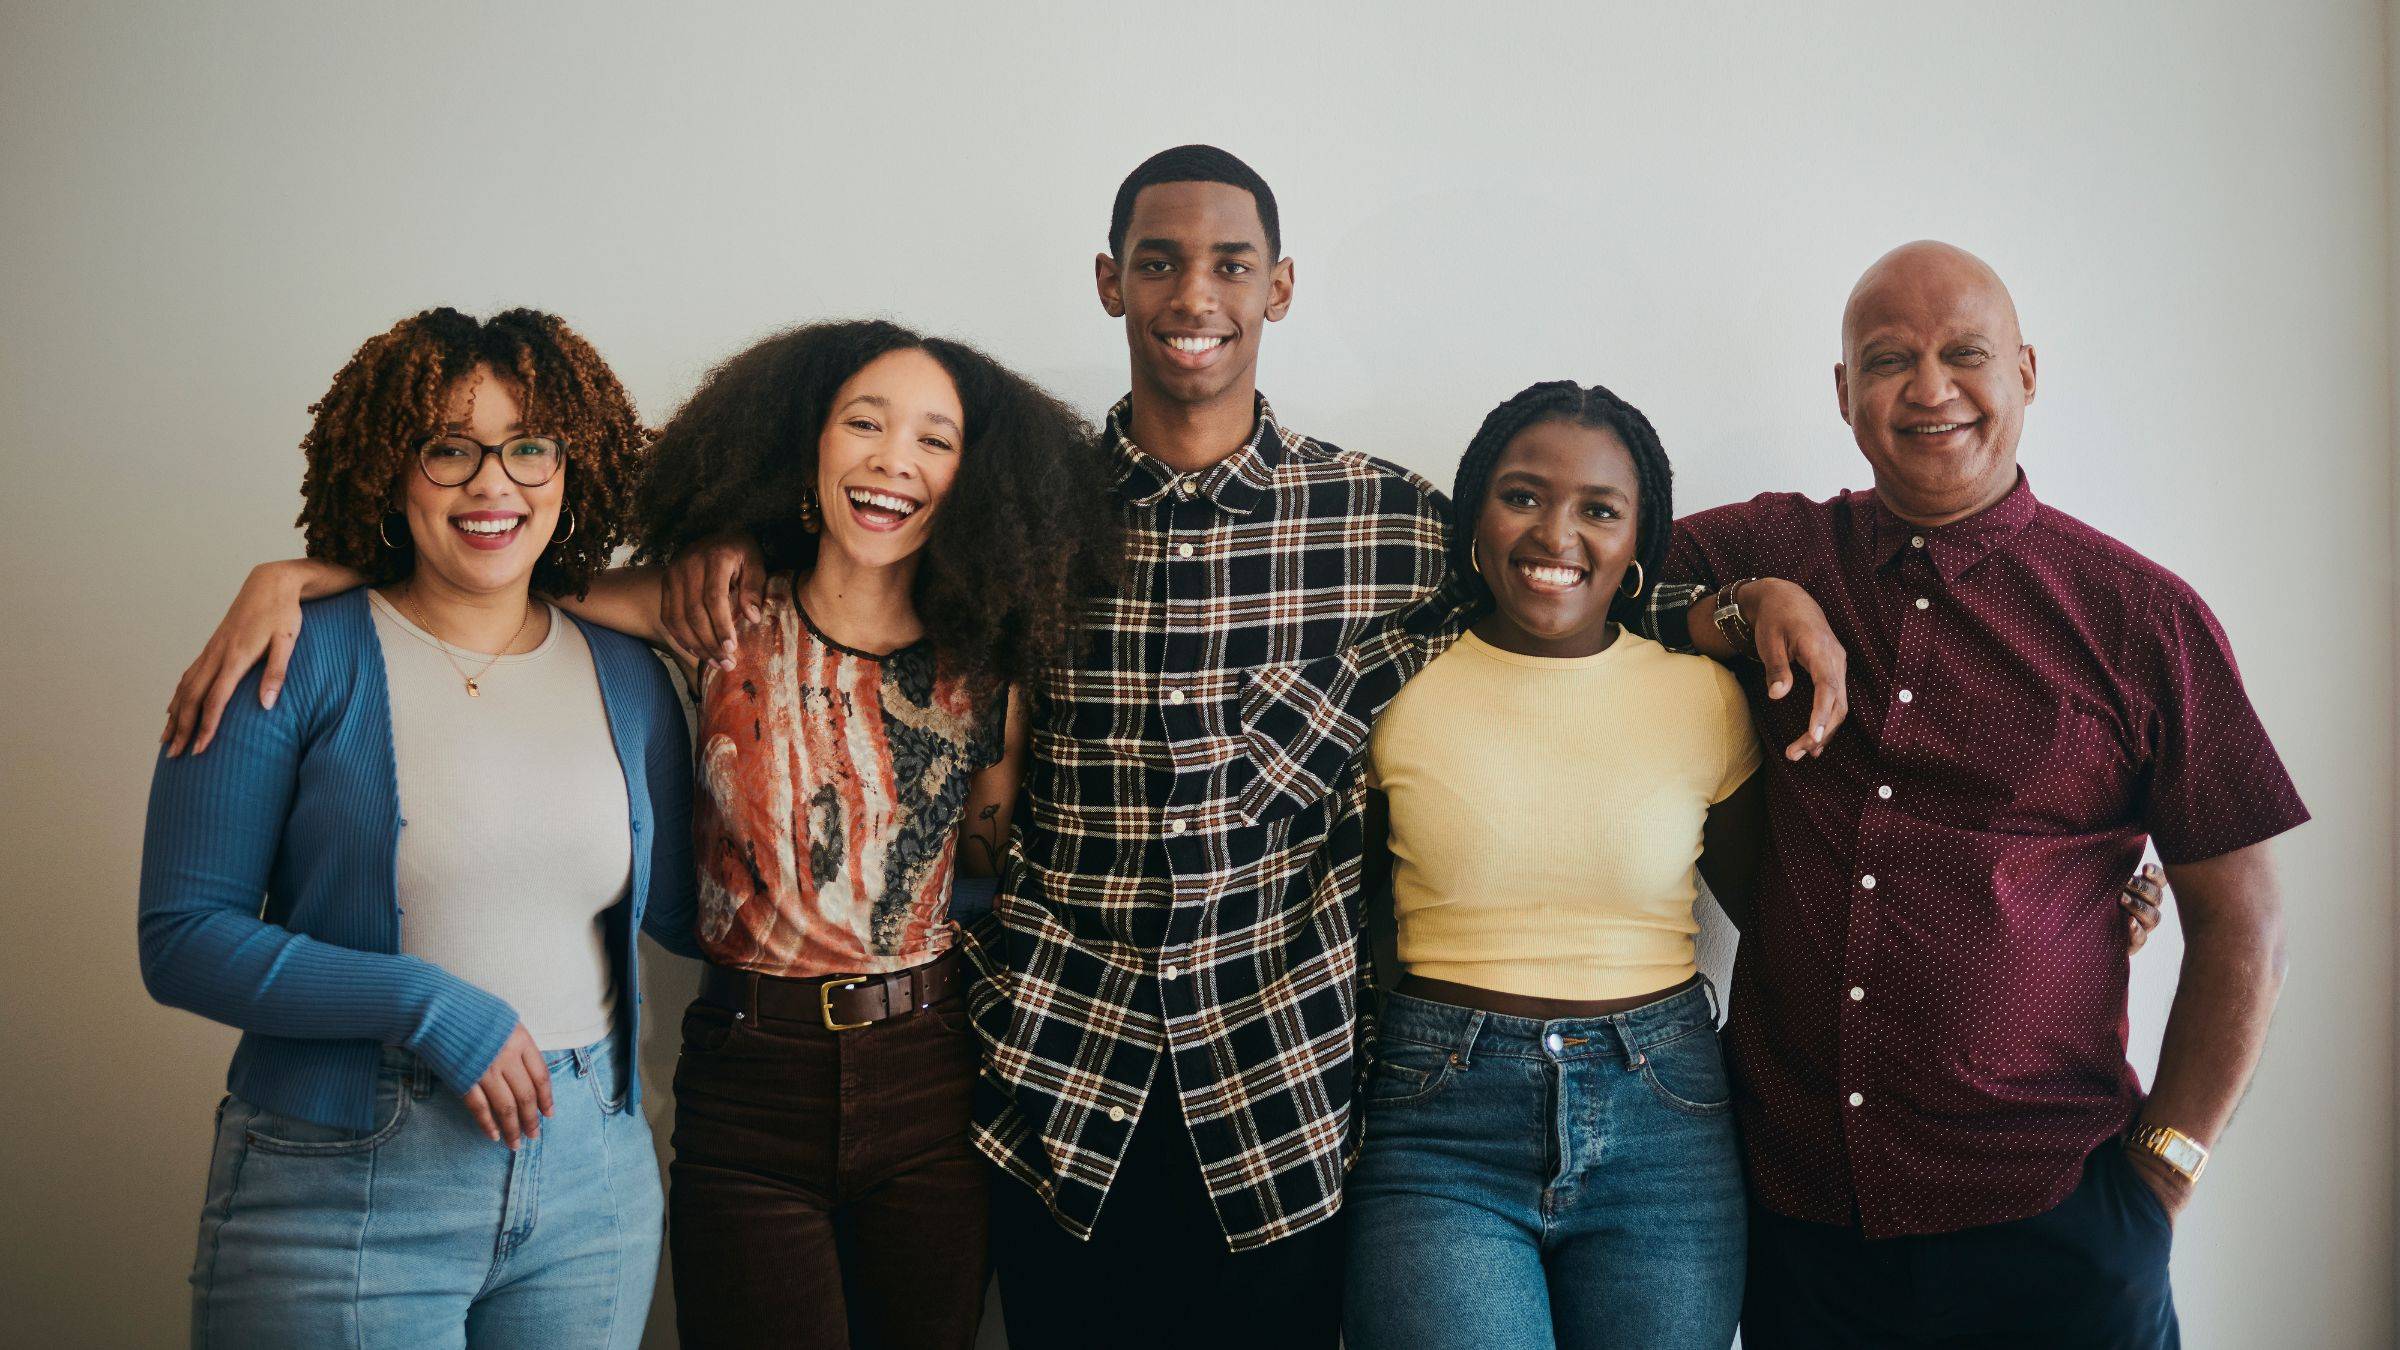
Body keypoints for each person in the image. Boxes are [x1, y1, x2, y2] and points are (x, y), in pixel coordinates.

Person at [646, 148, 1850, 1349]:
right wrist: (723, 547)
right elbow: (862, 548)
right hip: (1056, 1078)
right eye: (1160, 264)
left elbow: (1561, 587)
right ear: (1112, 282)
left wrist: (1734, 606)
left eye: (1231, 264)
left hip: (1279, 1094)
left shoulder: (1383, 521)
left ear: (1278, 287)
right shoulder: (1022, 509)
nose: (1194, 297)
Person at [158, 318, 1119, 1349]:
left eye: (937, 438)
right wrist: (306, 574)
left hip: (889, 1079)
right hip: (715, 1083)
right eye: (865, 423)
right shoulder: (703, 615)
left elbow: (967, 869)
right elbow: (498, 575)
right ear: (806, 446)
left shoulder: (978, 664)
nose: (895, 459)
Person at [1666, 242, 2307, 1347]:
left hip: (2055, 1220)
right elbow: (1583, 581)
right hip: (1805, 1225)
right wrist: (1744, 604)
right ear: (1843, 394)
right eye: (1888, 359)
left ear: (2026, 372)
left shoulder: (2142, 619)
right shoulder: (1775, 544)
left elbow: (2243, 922)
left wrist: (2166, 1172)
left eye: (1965, 354)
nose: (1929, 389)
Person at [139, 307, 697, 1348]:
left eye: (530, 447)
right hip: (344, 1184)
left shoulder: (629, 678)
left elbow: (692, 918)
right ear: (393, 469)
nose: (495, 484)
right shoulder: (292, 653)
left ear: (572, 468)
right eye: (451, 448)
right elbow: (181, 939)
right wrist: (429, 1006)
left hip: (592, 1187)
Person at [1342, 381, 1764, 1350]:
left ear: (1638, 541)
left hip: (1665, 1121)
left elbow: (1792, 915)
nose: (1555, 534)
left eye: (1599, 510)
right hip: (1439, 1121)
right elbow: (1333, 914)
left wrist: (2079, 894)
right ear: (1474, 517)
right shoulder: (1396, 689)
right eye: (1523, 496)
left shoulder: (1703, 698)